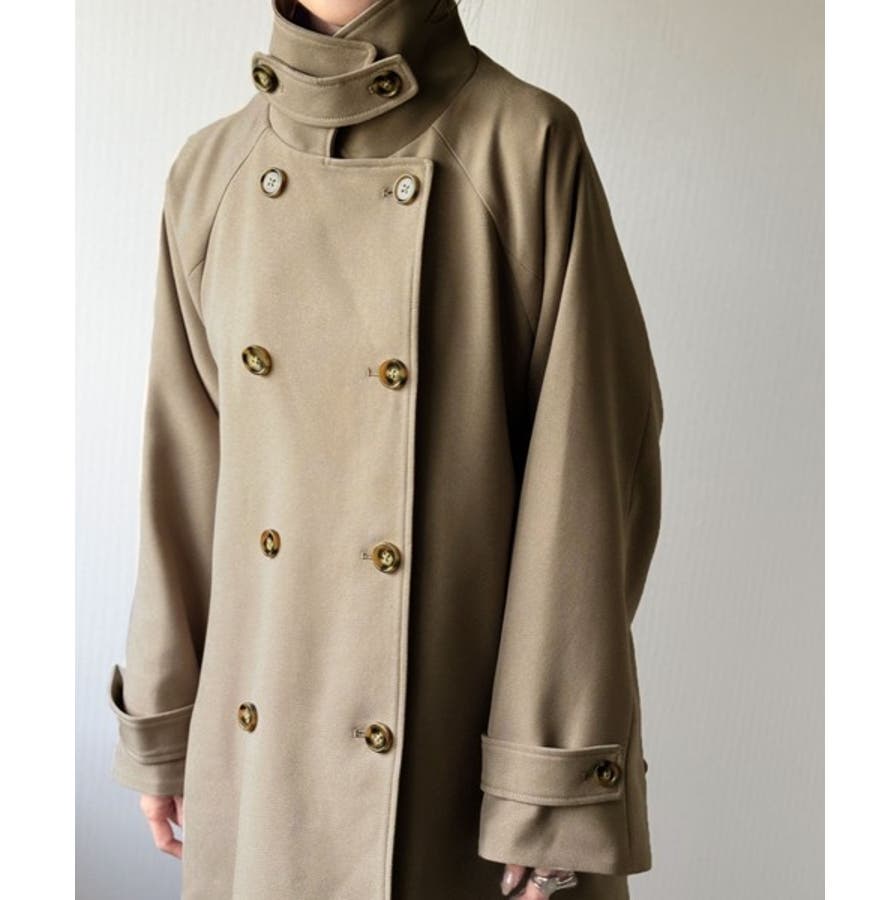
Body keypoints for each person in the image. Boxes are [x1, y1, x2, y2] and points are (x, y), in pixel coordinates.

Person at [106, 1, 664, 898]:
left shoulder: (522, 146)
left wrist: (547, 783)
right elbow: (182, 476)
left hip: (461, 781)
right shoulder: (209, 173)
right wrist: (165, 724)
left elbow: (590, 482)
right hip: (260, 772)